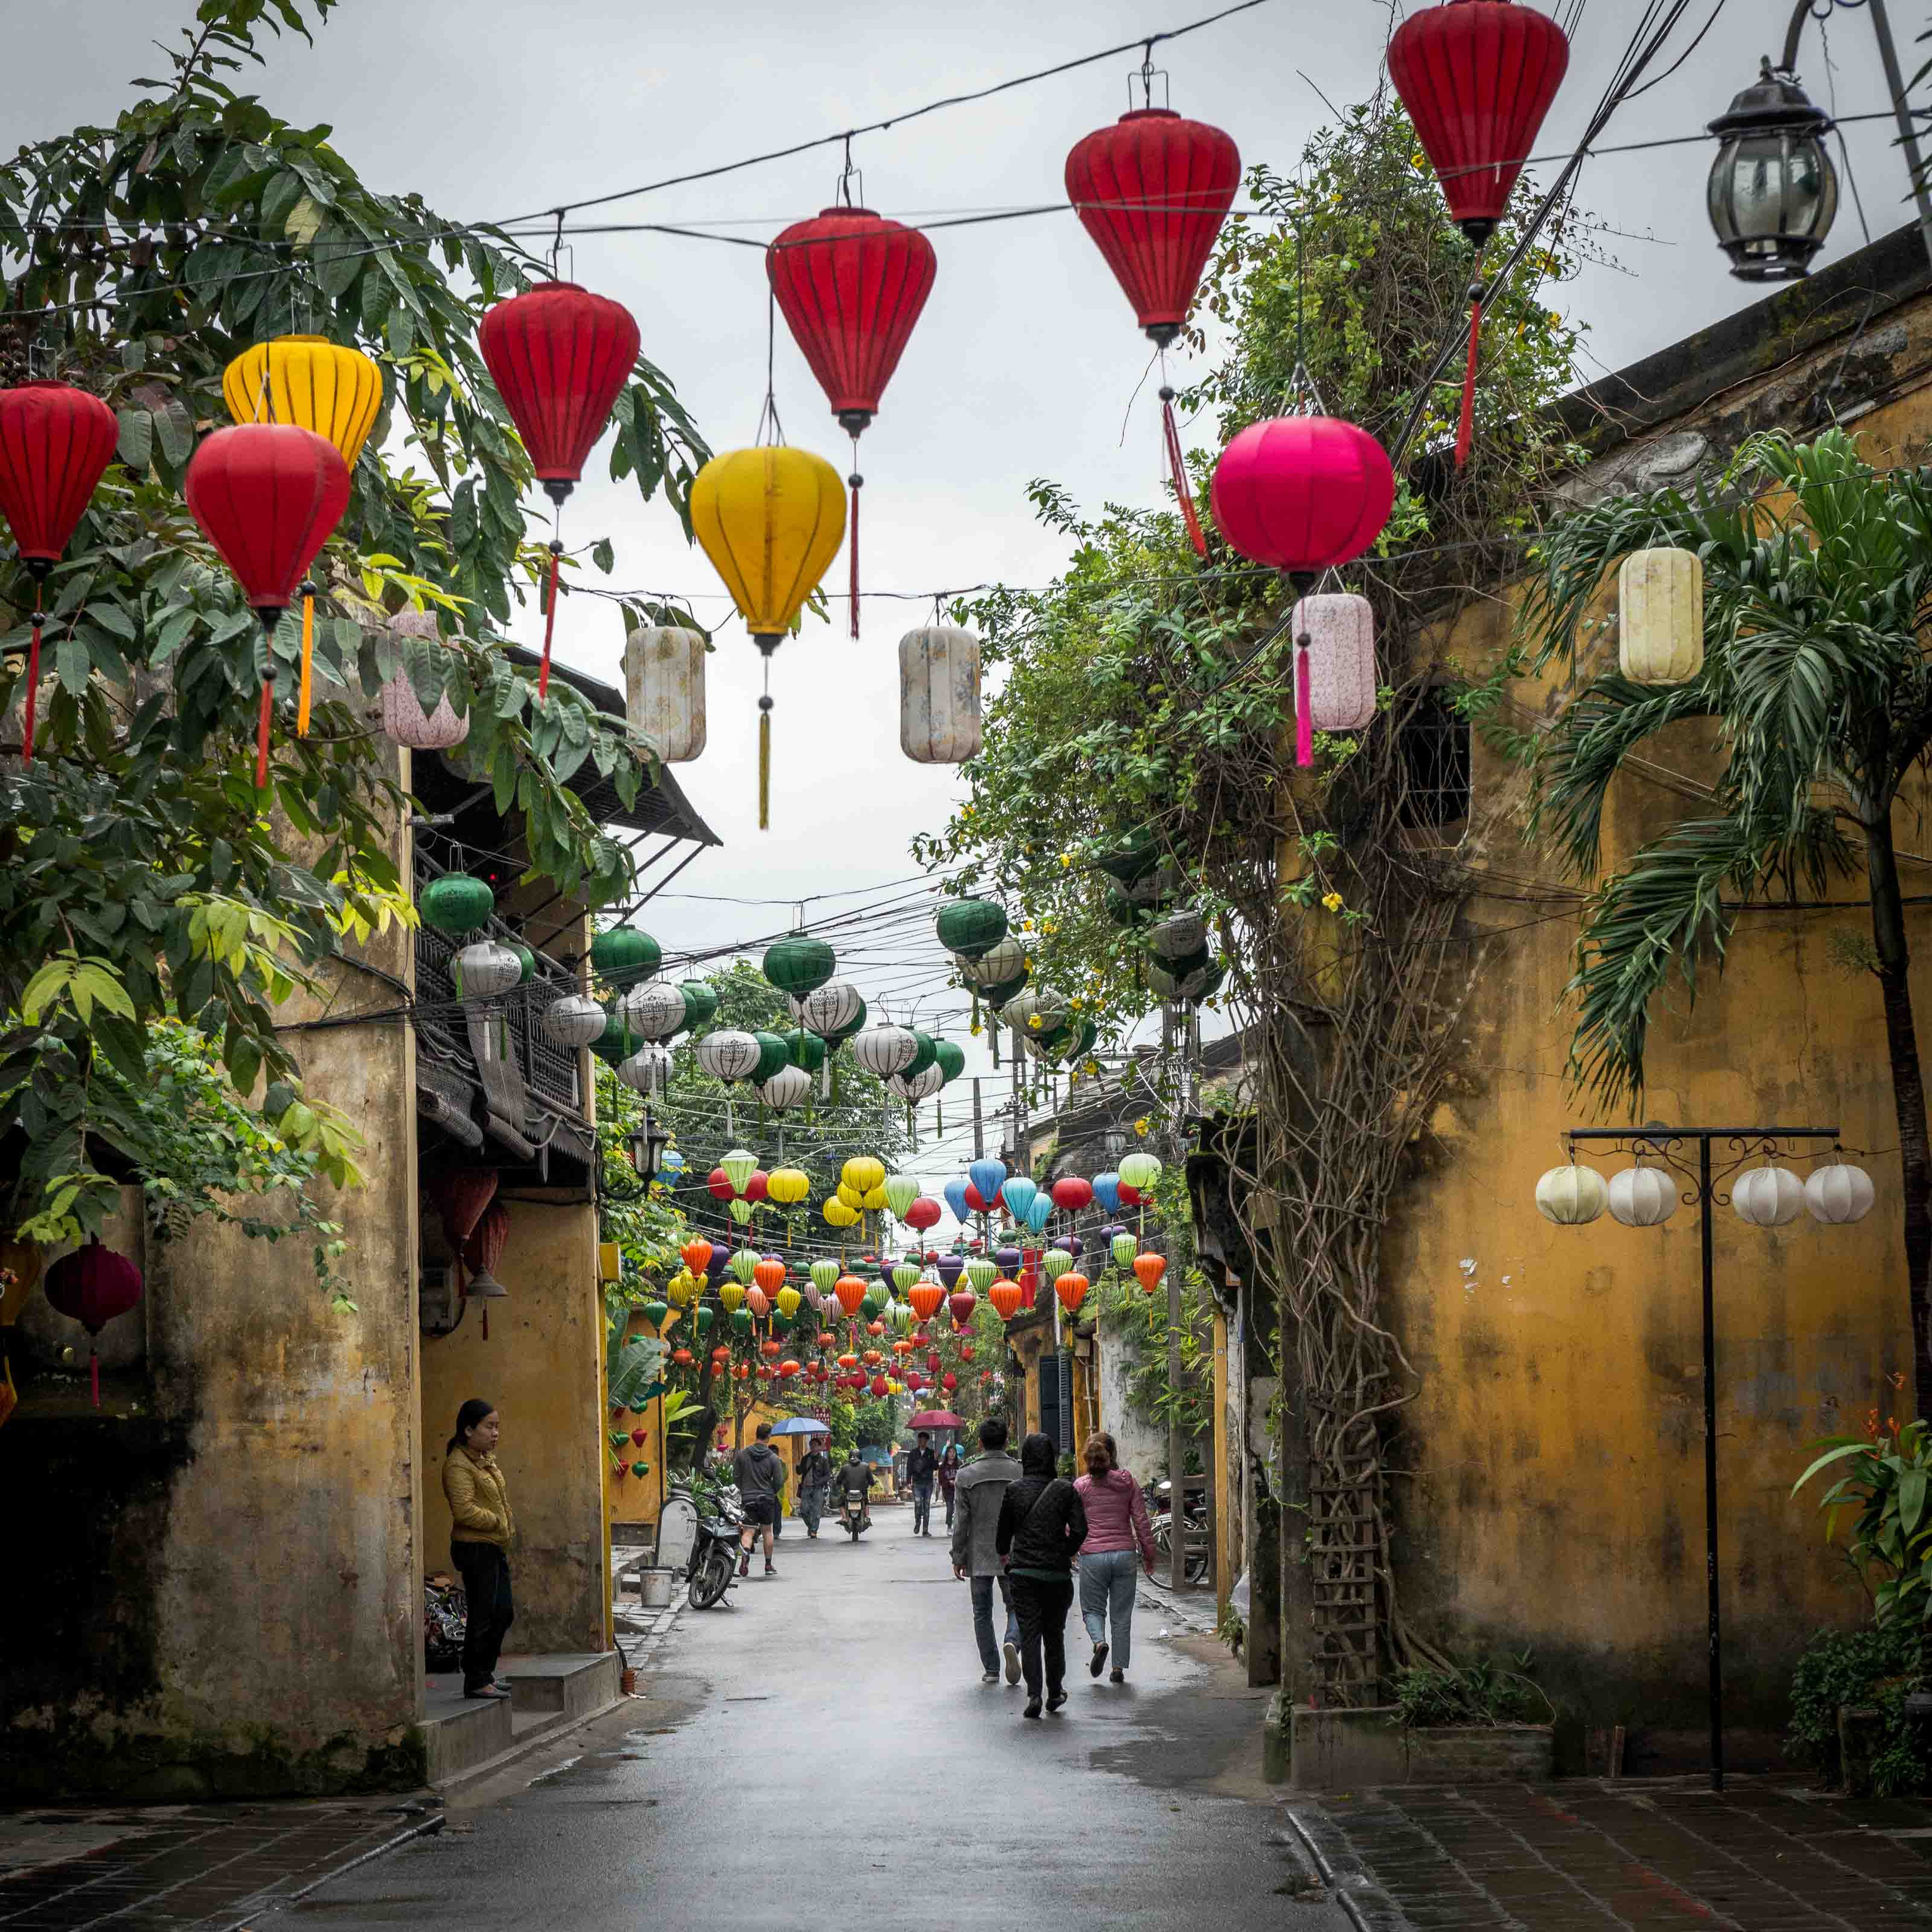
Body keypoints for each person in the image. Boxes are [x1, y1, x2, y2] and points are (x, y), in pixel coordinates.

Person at [996, 1431, 1088, 1719]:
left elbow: (1002, 1537)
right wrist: (1065, 1551)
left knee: (1030, 1634)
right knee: (1054, 1634)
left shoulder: (1014, 1490)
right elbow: (1081, 1529)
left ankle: (1034, 1694)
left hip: (1023, 1574)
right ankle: (1056, 1690)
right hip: (1057, 1575)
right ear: (1052, 1458)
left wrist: (1007, 1554)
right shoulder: (1065, 1490)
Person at [443, 1398, 515, 1700]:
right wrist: (498, 1521)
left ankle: (484, 1673)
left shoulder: (484, 1460)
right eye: (489, 1427)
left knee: (503, 1611)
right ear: (469, 1429)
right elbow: (464, 1511)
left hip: (493, 1546)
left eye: (497, 1427)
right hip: (474, 1549)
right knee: (484, 1613)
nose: (495, 1433)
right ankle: (475, 1678)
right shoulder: (458, 1465)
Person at [1073, 1431, 1157, 1684]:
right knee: (1121, 1615)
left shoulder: (1080, 1487)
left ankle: (1099, 1642)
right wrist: (1149, 1555)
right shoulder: (1127, 1482)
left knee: (1092, 1610)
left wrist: (1069, 1551)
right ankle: (1118, 1668)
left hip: (1092, 1556)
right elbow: (1141, 1521)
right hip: (1124, 1554)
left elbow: (1072, 1525)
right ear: (1113, 1454)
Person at [950, 1416, 1023, 1685]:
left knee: (982, 1611)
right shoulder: (1019, 1472)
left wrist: (958, 1556)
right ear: (1007, 1440)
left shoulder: (966, 1475)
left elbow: (961, 1522)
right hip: (1014, 1553)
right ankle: (1013, 1642)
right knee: (1017, 1607)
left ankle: (991, 1668)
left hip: (978, 1553)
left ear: (980, 1443)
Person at [733, 1423, 784, 1577]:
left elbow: (735, 1477)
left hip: (748, 1498)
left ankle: (745, 1555)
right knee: (767, 1531)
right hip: (767, 1499)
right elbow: (779, 1481)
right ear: (769, 1436)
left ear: (756, 1434)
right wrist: (772, 1492)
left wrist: (744, 1489)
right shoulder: (773, 1458)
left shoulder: (742, 1455)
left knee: (748, 1531)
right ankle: (768, 1565)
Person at [796, 1435, 833, 1539]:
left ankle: (813, 1531)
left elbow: (827, 1475)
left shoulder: (823, 1460)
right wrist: (798, 1467)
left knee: (816, 1511)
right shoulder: (805, 1458)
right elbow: (800, 1472)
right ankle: (811, 1526)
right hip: (806, 1487)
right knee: (804, 1510)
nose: (813, 1447)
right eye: (811, 1445)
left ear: (818, 1446)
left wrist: (820, 1482)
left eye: (815, 1445)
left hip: (817, 1488)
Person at [835, 1446, 874, 1532]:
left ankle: (844, 1517)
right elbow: (871, 1480)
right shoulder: (866, 1466)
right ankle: (866, 1516)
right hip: (862, 1493)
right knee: (866, 1502)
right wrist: (872, 1483)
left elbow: (838, 1480)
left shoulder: (845, 1467)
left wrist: (838, 1483)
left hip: (848, 1493)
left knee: (840, 1503)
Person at [906, 1431, 938, 1535]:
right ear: (918, 1441)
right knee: (918, 1503)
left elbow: (935, 1467)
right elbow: (909, 1468)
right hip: (917, 1482)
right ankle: (917, 1522)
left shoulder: (931, 1453)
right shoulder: (913, 1453)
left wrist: (936, 1458)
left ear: (927, 1441)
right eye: (920, 1439)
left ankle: (925, 1529)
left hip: (928, 1482)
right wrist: (908, 1481)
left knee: (927, 1505)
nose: (922, 1442)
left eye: (924, 1440)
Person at [938, 1441, 961, 1530]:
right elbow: (941, 1481)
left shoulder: (959, 1465)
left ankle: (957, 1526)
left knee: (958, 1508)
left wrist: (956, 1481)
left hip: (958, 1489)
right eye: (950, 1452)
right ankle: (949, 1526)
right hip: (947, 1491)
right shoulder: (943, 1467)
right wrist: (949, 1482)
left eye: (954, 1452)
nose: (952, 1454)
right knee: (950, 1508)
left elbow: (963, 1476)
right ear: (947, 1454)